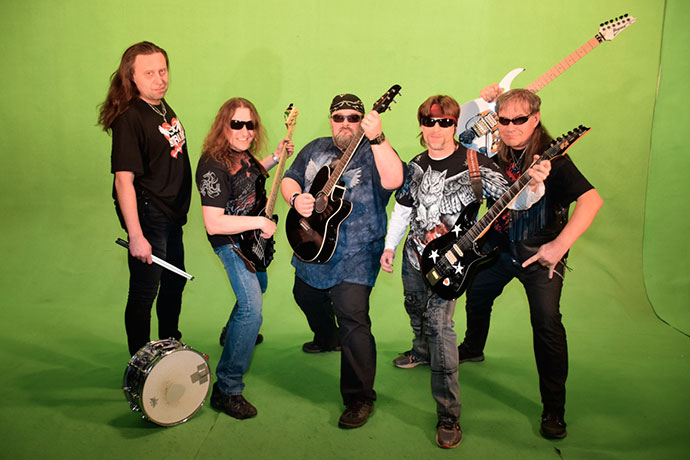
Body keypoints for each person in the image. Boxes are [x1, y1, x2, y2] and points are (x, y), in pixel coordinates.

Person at [381, 95, 550, 448]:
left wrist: (535, 183)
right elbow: (403, 209)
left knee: (441, 330)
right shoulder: (415, 165)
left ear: (455, 125)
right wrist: (390, 246)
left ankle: (448, 415)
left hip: (451, 265)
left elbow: (517, 200)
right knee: (414, 308)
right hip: (414, 258)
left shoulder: (476, 164)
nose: (436, 129)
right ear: (421, 125)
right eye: (429, 121)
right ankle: (420, 350)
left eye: (445, 122)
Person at [457, 86, 603, 439]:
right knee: (477, 294)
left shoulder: (555, 159)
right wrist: (483, 100)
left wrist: (559, 245)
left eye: (519, 120)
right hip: (498, 250)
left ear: (535, 119)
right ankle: (473, 348)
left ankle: (554, 410)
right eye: (503, 120)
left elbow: (592, 200)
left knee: (547, 324)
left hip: (538, 255)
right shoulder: (496, 150)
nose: (510, 127)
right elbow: (461, 132)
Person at [280, 93, 403, 429]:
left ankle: (359, 398)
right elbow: (290, 177)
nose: (345, 123)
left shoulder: (375, 149)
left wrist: (378, 137)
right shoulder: (315, 148)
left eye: (353, 117)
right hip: (313, 243)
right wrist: (295, 198)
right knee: (305, 295)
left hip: (357, 252)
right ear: (331, 120)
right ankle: (326, 337)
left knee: (352, 317)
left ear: (362, 120)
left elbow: (395, 180)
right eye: (339, 118)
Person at [196, 98, 293, 419]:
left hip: (250, 238)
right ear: (223, 126)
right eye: (237, 124)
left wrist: (275, 158)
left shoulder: (241, 153)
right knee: (252, 309)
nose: (245, 131)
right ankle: (227, 389)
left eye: (250, 124)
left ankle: (232, 333)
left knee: (258, 286)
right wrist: (260, 222)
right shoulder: (213, 166)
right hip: (230, 241)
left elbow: (248, 176)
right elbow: (214, 222)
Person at [98, 41, 191, 357]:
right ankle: (140, 363)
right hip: (149, 216)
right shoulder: (130, 117)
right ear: (132, 77)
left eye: (162, 71)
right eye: (149, 73)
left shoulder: (160, 106)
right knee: (144, 292)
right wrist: (136, 236)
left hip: (170, 215)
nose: (159, 79)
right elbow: (123, 180)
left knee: (175, 282)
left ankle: (170, 347)